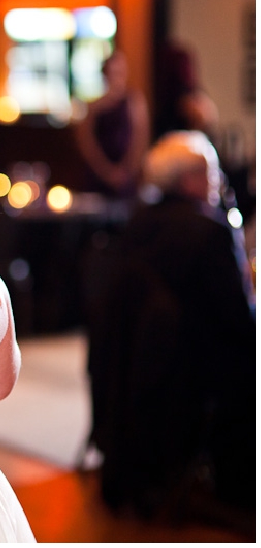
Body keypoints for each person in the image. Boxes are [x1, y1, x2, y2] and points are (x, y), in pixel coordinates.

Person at [88, 131, 255, 523]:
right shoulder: (209, 230)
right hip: (191, 375)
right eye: (213, 174)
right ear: (192, 178)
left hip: (139, 375)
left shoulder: (135, 224)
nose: (217, 184)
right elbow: (238, 320)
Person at [73, 50, 151, 199]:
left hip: (126, 176)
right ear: (105, 74)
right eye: (112, 72)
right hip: (98, 177)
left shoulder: (134, 102)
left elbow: (140, 139)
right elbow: (87, 144)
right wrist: (106, 172)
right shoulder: (94, 106)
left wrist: (126, 171)